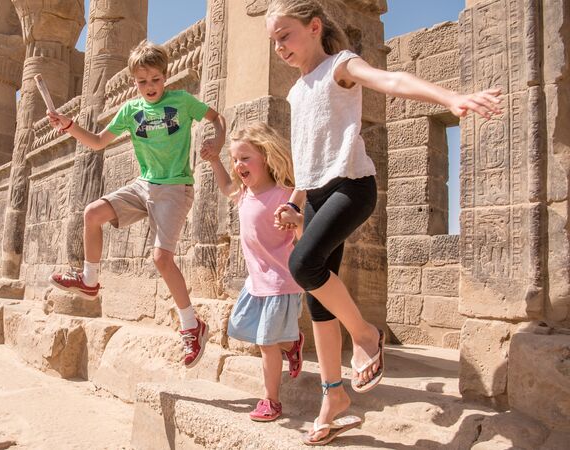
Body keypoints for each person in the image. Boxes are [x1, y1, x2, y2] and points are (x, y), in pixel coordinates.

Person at [265, 0, 502, 445]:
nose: (280, 47)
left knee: (302, 266)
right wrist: (295, 203)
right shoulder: (297, 91)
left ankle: (367, 335)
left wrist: (450, 97)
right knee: (318, 299)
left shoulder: (342, 65)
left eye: (285, 36)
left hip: (352, 187)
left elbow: (391, 80)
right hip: (315, 195)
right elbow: (306, 158)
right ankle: (333, 397)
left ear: (314, 27)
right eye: (273, 41)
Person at [47, 40, 227, 368]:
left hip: (174, 188)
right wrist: (70, 127)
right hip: (143, 185)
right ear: (134, 82)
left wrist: (216, 143)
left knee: (161, 259)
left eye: (155, 79)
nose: (150, 87)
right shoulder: (131, 111)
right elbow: (99, 142)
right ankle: (89, 281)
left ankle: (192, 326)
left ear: (165, 75)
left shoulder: (182, 102)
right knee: (92, 213)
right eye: (142, 82)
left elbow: (217, 118)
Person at [201, 121, 304, 422]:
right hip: (256, 281)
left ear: (266, 156)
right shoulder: (244, 194)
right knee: (239, 325)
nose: (239, 164)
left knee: (265, 343)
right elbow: (225, 187)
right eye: (236, 159)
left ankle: (271, 400)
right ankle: (292, 342)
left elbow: (301, 235)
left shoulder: (284, 194)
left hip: (281, 282)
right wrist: (215, 160)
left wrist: (295, 220)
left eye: (245, 157)